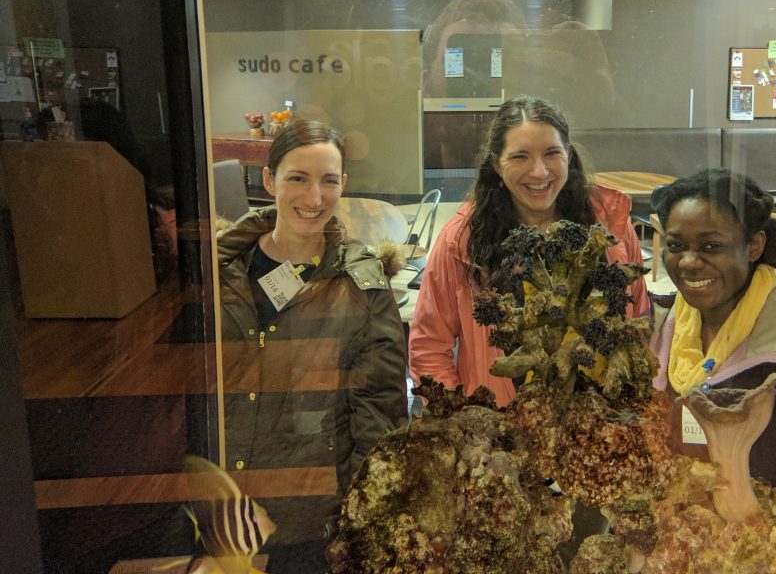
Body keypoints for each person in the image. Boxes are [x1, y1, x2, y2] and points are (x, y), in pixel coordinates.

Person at [216, 119, 408, 572]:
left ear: (344, 184)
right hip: (219, 509)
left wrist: (358, 521)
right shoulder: (218, 270)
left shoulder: (362, 288)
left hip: (309, 519)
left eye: (329, 181)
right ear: (269, 180)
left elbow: (378, 416)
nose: (314, 198)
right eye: (298, 179)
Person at [408, 95, 650, 408]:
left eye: (551, 153)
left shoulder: (610, 226)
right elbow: (429, 348)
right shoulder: (461, 241)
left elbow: (638, 322)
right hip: (501, 422)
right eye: (520, 157)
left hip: (598, 419)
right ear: (496, 164)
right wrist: (461, 421)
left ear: (568, 156)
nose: (539, 171)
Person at [650, 168, 776, 495]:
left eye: (711, 246)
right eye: (676, 245)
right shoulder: (656, 329)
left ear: (754, 246)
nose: (689, 262)